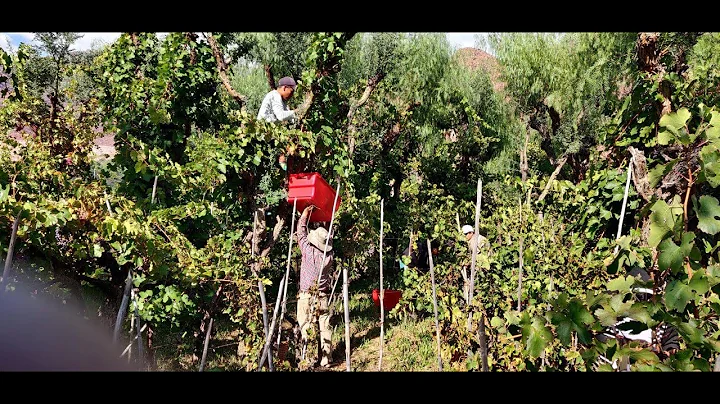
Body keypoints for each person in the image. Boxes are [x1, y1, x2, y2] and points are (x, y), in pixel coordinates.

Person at [295, 204, 334, 367]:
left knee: (307, 327)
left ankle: (310, 359)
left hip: (307, 296)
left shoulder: (308, 251)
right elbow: (328, 238)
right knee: (325, 327)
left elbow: (301, 235)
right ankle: (326, 357)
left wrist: (304, 215)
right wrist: (326, 219)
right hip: (323, 296)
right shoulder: (329, 256)